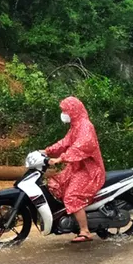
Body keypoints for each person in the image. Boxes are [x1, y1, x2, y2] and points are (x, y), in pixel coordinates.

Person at [44, 96, 106, 243]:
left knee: (71, 196)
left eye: (65, 110)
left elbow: (81, 146)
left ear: (73, 110)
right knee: (56, 184)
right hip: (77, 167)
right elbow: (66, 142)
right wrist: (47, 151)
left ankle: (85, 231)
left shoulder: (85, 126)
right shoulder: (75, 126)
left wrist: (61, 158)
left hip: (90, 170)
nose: (63, 114)